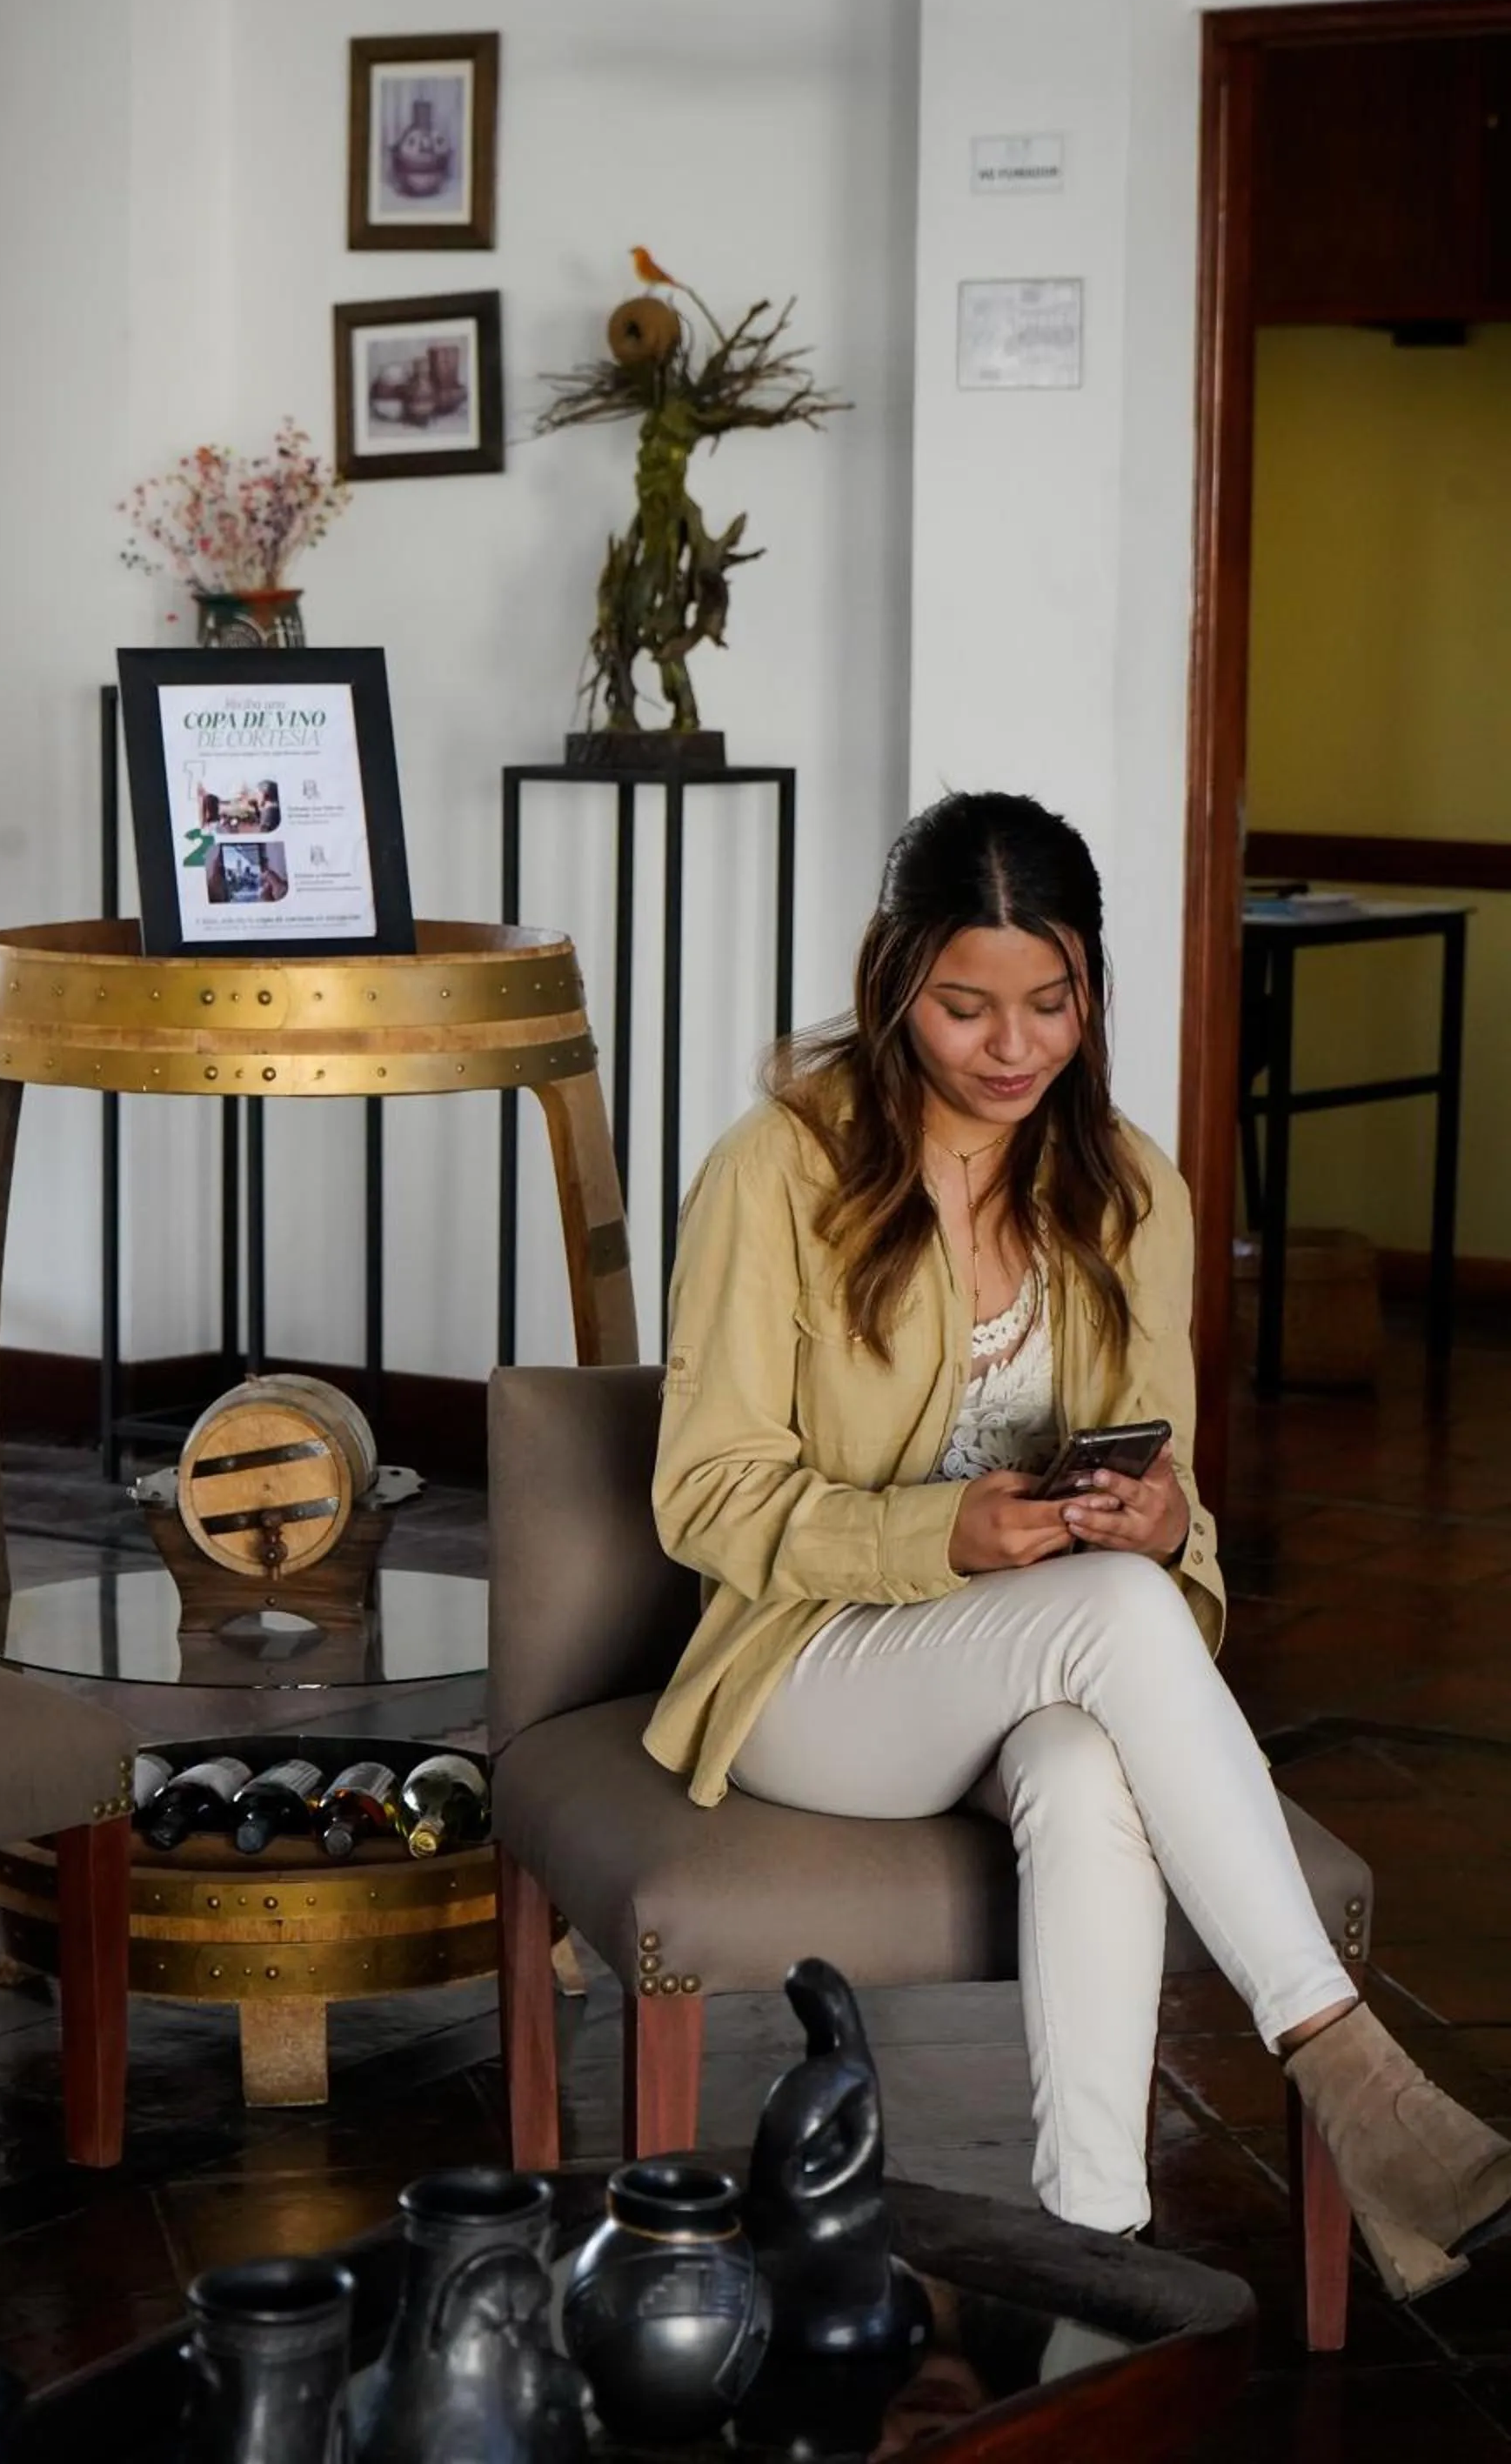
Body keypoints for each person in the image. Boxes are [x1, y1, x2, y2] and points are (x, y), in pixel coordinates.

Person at [645, 790, 1511, 2301]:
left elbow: (1165, 1495)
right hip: (810, 1673)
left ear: (1090, 986)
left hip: (1043, 1663)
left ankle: (1089, 2260)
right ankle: (1358, 2078)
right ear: (893, 977)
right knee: (1108, 1613)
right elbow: (704, 1498)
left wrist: (1169, 1522)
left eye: (1049, 1002)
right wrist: (945, 1533)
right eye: (965, 1005)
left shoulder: (1125, 1184)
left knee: (1084, 1764)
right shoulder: (776, 1170)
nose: (1011, 1047)